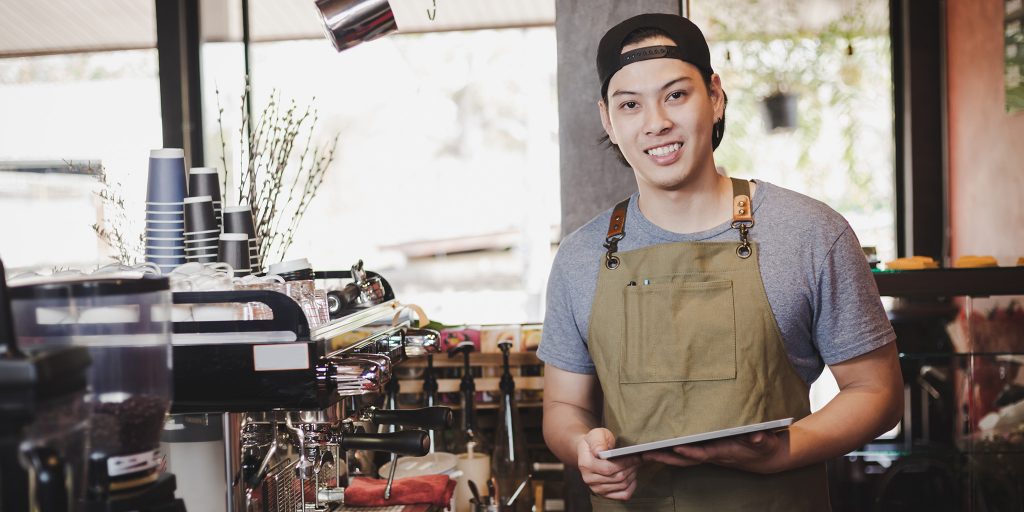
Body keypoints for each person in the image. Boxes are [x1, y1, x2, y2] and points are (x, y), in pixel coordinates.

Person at [537, 13, 903, 511]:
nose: (656, 123)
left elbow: (877, 392)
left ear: (715, 96)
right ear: (608, 120)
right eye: (630, 104)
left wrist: (783, 452)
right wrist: (584, 447)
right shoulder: (580, 256)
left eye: (675, 95)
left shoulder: (811, 233)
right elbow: (564, 406)